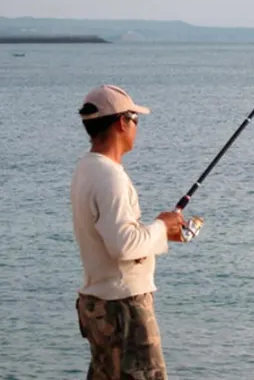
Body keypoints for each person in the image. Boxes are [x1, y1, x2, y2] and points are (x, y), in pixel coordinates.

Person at [70, 84, 185, 379]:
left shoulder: (86, 168)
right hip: (124, 307)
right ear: (122, 122)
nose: (136, 126)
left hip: (97, 304)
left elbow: (114, 235)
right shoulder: (110, 178)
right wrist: (162, 227)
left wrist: (160, 234)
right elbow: (123, 246)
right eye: (135, 118)